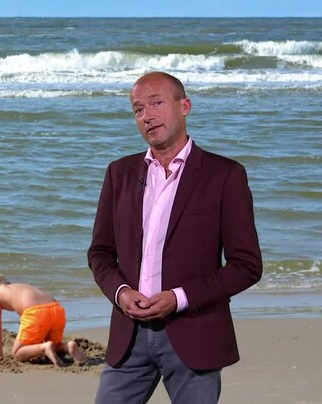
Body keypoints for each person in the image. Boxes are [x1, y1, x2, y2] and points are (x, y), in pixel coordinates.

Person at [87, 71, 263, 403]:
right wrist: (121, 293)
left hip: (195, 333)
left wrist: (179, 297)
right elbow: (100, 253)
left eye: (156, 103)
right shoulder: (119, 173)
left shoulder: (224, 175)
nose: (146, 116)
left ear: (185, 106)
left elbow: (246, 266)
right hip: (129, 334)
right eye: (138, 109)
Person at [0, 269, 87, 367]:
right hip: (56, 309)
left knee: (17, 353)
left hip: (36, 313)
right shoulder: (18, 287)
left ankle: (44, 347)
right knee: (55, 347)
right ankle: (67, 347)